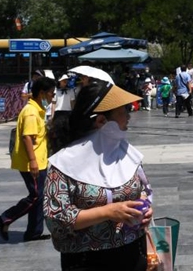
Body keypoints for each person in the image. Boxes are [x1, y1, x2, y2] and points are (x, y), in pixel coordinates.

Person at [44, 80, 153, 270]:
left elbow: (143, 190)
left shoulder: (127, 152)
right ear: (101, 120)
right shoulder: (64, 163)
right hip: (86, 260)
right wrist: (108, 212)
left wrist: (145, 209)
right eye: (123, 110)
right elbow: (56, 218)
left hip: (133, 253)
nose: (128, 115)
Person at [0, 76, 57, 242]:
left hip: (40, 160)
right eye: (51, 93)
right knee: (36, 196)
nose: (53, 97)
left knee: (39, 196)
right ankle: (5, 218)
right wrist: (33, 161)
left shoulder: (37, 109)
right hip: (32, 162)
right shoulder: (30, 112)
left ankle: (33, 232)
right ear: (42, 93)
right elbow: (27, 137)